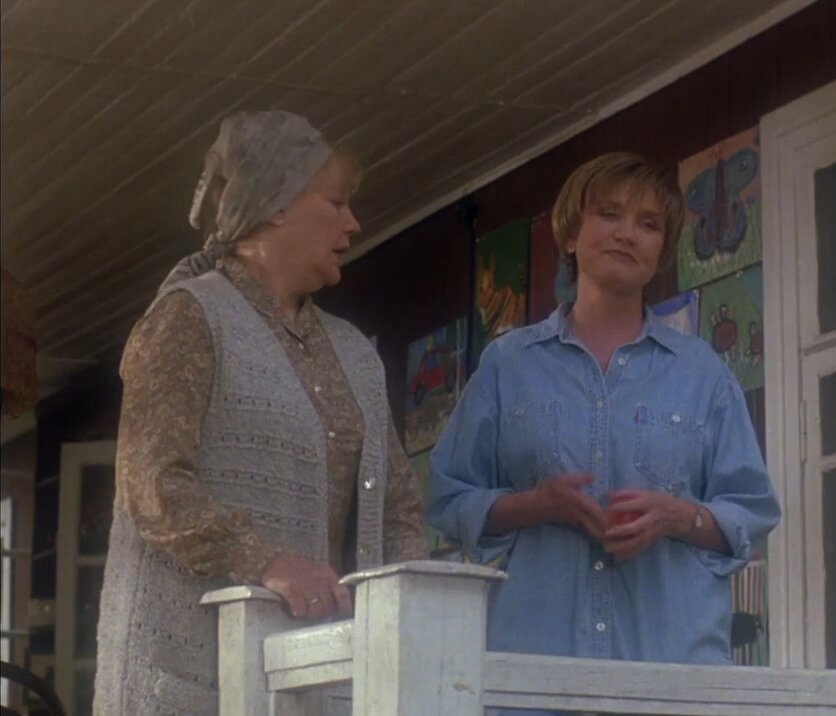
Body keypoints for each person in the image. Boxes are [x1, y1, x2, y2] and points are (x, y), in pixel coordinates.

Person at [94, 110, 426, 715]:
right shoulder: (188, 317)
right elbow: (150, 483)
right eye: (336, 203)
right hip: (191, 678)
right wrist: (266, 561)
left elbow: (398, 506)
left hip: (321, 683)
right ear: (275, 204)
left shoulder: (355, 352)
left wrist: (412, 617)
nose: (353, 223)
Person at [427, 152, 780, 701]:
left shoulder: (702, 373)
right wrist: (535, 506)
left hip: (670, 676)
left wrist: (676, 516)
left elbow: (752, 510)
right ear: (570, 234)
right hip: (534, 677)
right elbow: (448, 496)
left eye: (648, 223)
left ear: (661, 250)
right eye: (609, 214)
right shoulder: (508, 365)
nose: (627, 234)